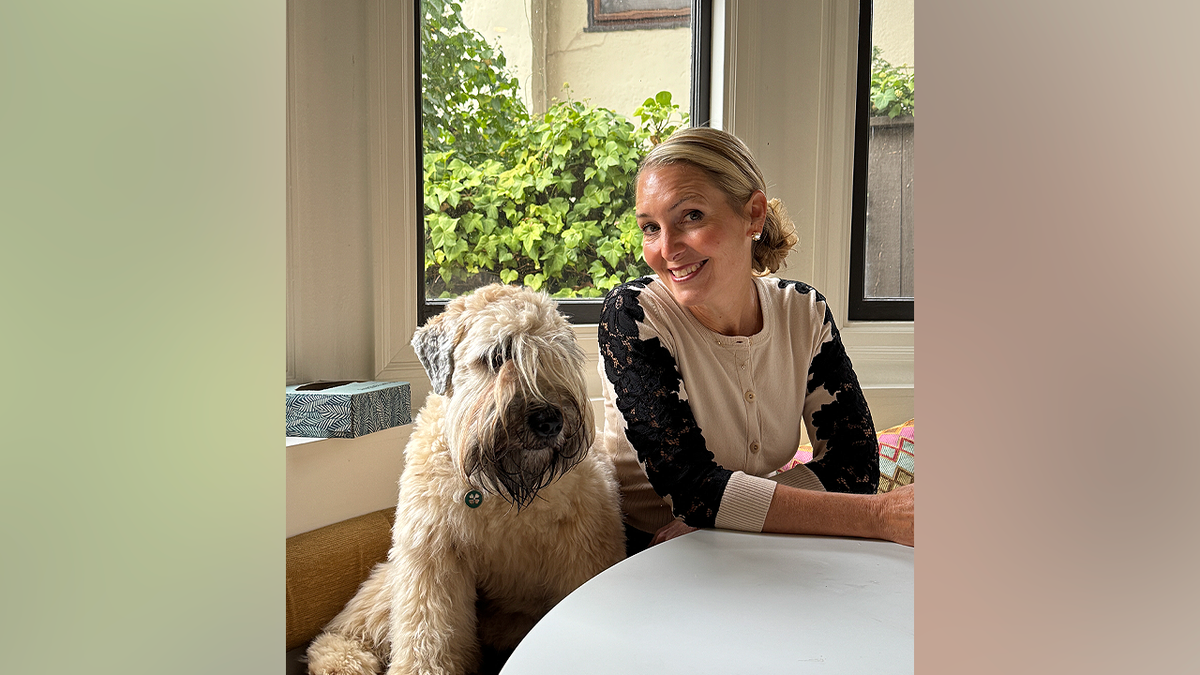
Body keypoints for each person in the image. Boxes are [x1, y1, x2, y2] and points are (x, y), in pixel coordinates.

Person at [596, 127, 914, 556]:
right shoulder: (633, 315)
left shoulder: (803, 311)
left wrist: (725, 515)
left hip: (760, 544)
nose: (667, 248)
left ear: (754, 215)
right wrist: (878, 516)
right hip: (643, 553)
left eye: (690, 216)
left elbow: (854, 466)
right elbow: (691, 488)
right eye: (650, 228)